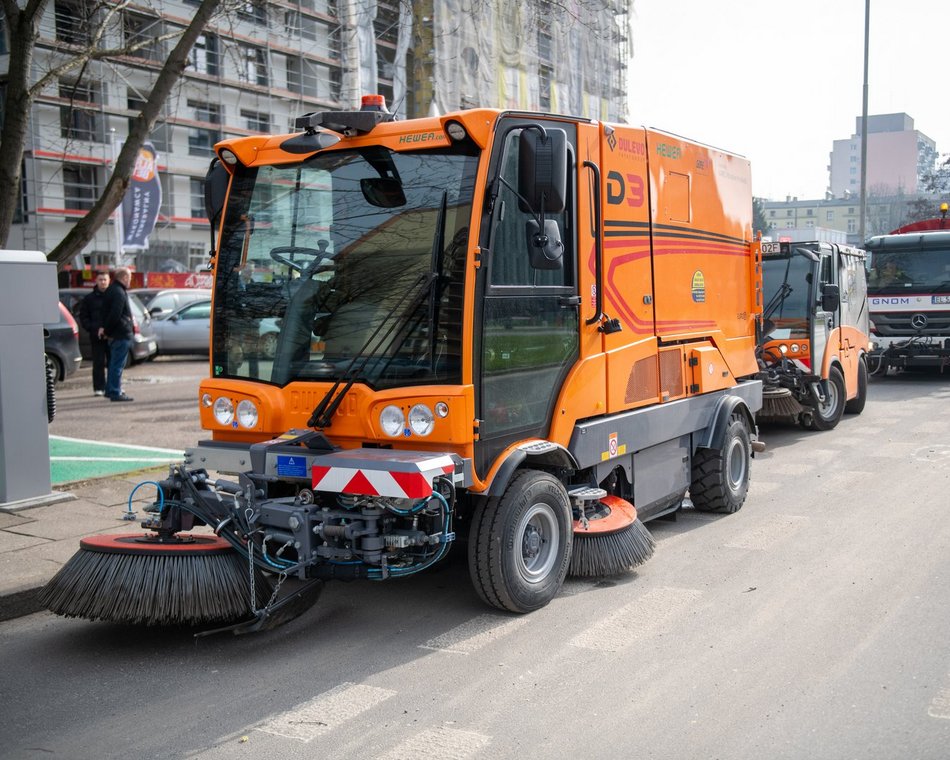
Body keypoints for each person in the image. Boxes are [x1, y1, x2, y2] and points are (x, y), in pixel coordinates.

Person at [100, 267, 135, 402]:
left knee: (113, 363)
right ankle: (115, 391)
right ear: (124, 278)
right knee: (117, 365)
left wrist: (106, 330)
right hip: (120, 333)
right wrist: (109, 330)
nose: (130, 281)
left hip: (115, 333)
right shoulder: (119, 292)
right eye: (129, 278)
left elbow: (106, 312)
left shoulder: (111, 290)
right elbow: (116, 314)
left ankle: (110, 389)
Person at [77, 271, 111, 396]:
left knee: (113, 362)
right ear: (96, 281)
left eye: (105, 279)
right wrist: (91, 328)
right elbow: (83, 316)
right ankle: (99, 387)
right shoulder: (89, 299)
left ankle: (112, 386)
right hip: (96, 336)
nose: (103, 282)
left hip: (111, 335)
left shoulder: (113, 296)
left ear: (109, 281)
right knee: (98, 362)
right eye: (100, 279)